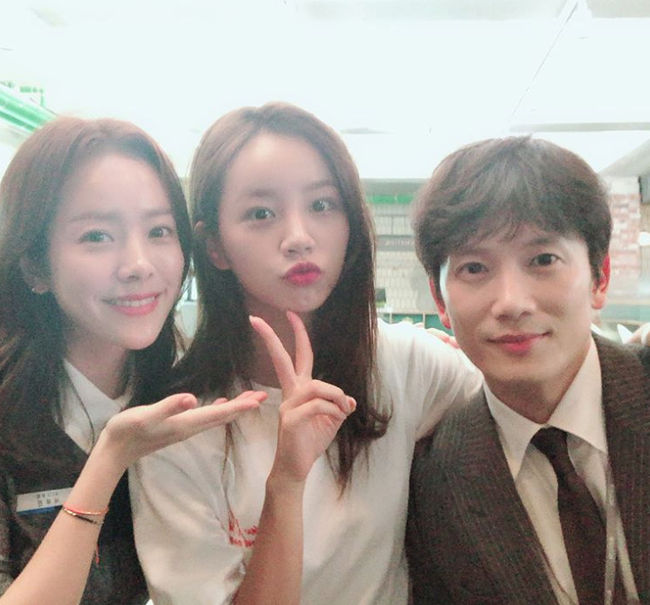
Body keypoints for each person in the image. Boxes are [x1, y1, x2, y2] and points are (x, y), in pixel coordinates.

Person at [129, 102, 482, 604]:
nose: (299, 238)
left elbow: (523, 410)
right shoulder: (178, 423)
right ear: (215, 247)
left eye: (322, 205)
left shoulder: (406, 364)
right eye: (261, 214)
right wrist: (286, 483)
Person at [0, 117, 265, 605]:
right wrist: (111, 458)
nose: (139, 265)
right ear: (34, 266)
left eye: (159, 230)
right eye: (97, 236)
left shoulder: (191, 393)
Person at [407, 136, 649, 604]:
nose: (511, 303)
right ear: (440, 300)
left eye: (542, 260)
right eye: (474, 268)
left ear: (599, 277)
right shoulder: (434, 483)